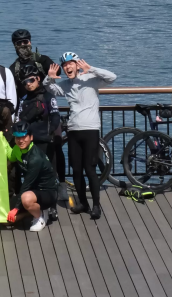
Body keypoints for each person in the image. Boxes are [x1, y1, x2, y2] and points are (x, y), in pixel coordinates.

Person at [46, 51, 116, 220]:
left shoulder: (91, 78)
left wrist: (91, 68)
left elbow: (112, 77)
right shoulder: (65, 84)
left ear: (77, 64)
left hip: (91, 129)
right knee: (76, 170)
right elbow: (49, 89)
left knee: (89, 168)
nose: (67, 67)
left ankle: (96, 206)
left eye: (70, 63)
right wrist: (49, 77)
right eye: (64, 65)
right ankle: (83, 203)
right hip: (73, 130)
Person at [3, 123, 59, 232]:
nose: (21, 140)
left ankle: (40, 217)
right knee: (6, 220)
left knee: (25, 199)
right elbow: (11, 156)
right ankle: (31, 210)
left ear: (31, 137)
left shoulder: (35, 158)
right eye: (18, 137)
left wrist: (16, 208)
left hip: (47, 191)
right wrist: (2, 140)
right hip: (33, 190)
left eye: (24, 137)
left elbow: (26, 184)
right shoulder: (17, 149)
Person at [14, 63, 60, 168]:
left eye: (31, 80)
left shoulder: (48, 97)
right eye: (25, 82)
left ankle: (60, 182)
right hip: (28, 142)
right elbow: (18, 119)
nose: (28, 84)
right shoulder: (23, 100)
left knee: (47, 173)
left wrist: (51, 130)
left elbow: (55, 116)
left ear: (38, 78)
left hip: (45, 140)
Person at [8, 30, 56, 99]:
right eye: (19, 43)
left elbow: (58, 71)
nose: (22, 45)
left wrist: (42, 59)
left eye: (25, 42)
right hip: (26, 105)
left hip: (45, 102)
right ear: (15, 46)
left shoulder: (42, 60)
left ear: (30, 42)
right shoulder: (13, 68)